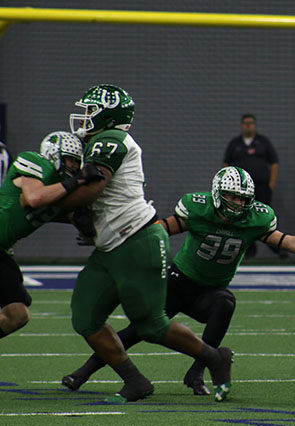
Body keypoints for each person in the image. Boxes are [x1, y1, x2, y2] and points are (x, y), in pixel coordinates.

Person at [61, 166, 295, 395]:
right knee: (139, 328)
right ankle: (85, 371)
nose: (237, 203)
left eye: (243, 199)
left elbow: (288, 242)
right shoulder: (199, 209)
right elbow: (161, 228)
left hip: (210, 290)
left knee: (225, 304)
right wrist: (127, 239)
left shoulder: (256, 219)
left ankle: (197, 372)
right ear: (218, 194)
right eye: (231, 196)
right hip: (178, 280)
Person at [64, 84, 233, 403]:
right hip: (109, 247)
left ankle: (214, 358)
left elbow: (94, 186)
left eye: (91, 110)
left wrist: (49, 200)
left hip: (136, 239)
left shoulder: (110, 139)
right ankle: (135, 380)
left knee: (152, 325)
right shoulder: (99, 141)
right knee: (85, 316)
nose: (85, 117)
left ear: (107, 115)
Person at [0, 131, 100, 391]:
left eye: (78, 163)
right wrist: (77, 181)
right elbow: (33, 198)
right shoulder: (35, 162)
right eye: (70, 161)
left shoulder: (62, 189)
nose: (74, 168)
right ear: (54, 155)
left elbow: (53, 209)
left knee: (17, 315)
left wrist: (84, 225)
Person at [223, 114, 280, 258]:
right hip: (239, 191)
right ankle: (248, 249)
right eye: (245, 123)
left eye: (251, 123)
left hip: (261, 187)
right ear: (241, 125)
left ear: (255, 125)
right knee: (241, 216)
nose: (248, 125)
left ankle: (276, 245)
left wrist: (271, 184)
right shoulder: (234, 144)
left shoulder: (263, 142)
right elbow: (226, 164)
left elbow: (274, 162)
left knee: (263, 215)